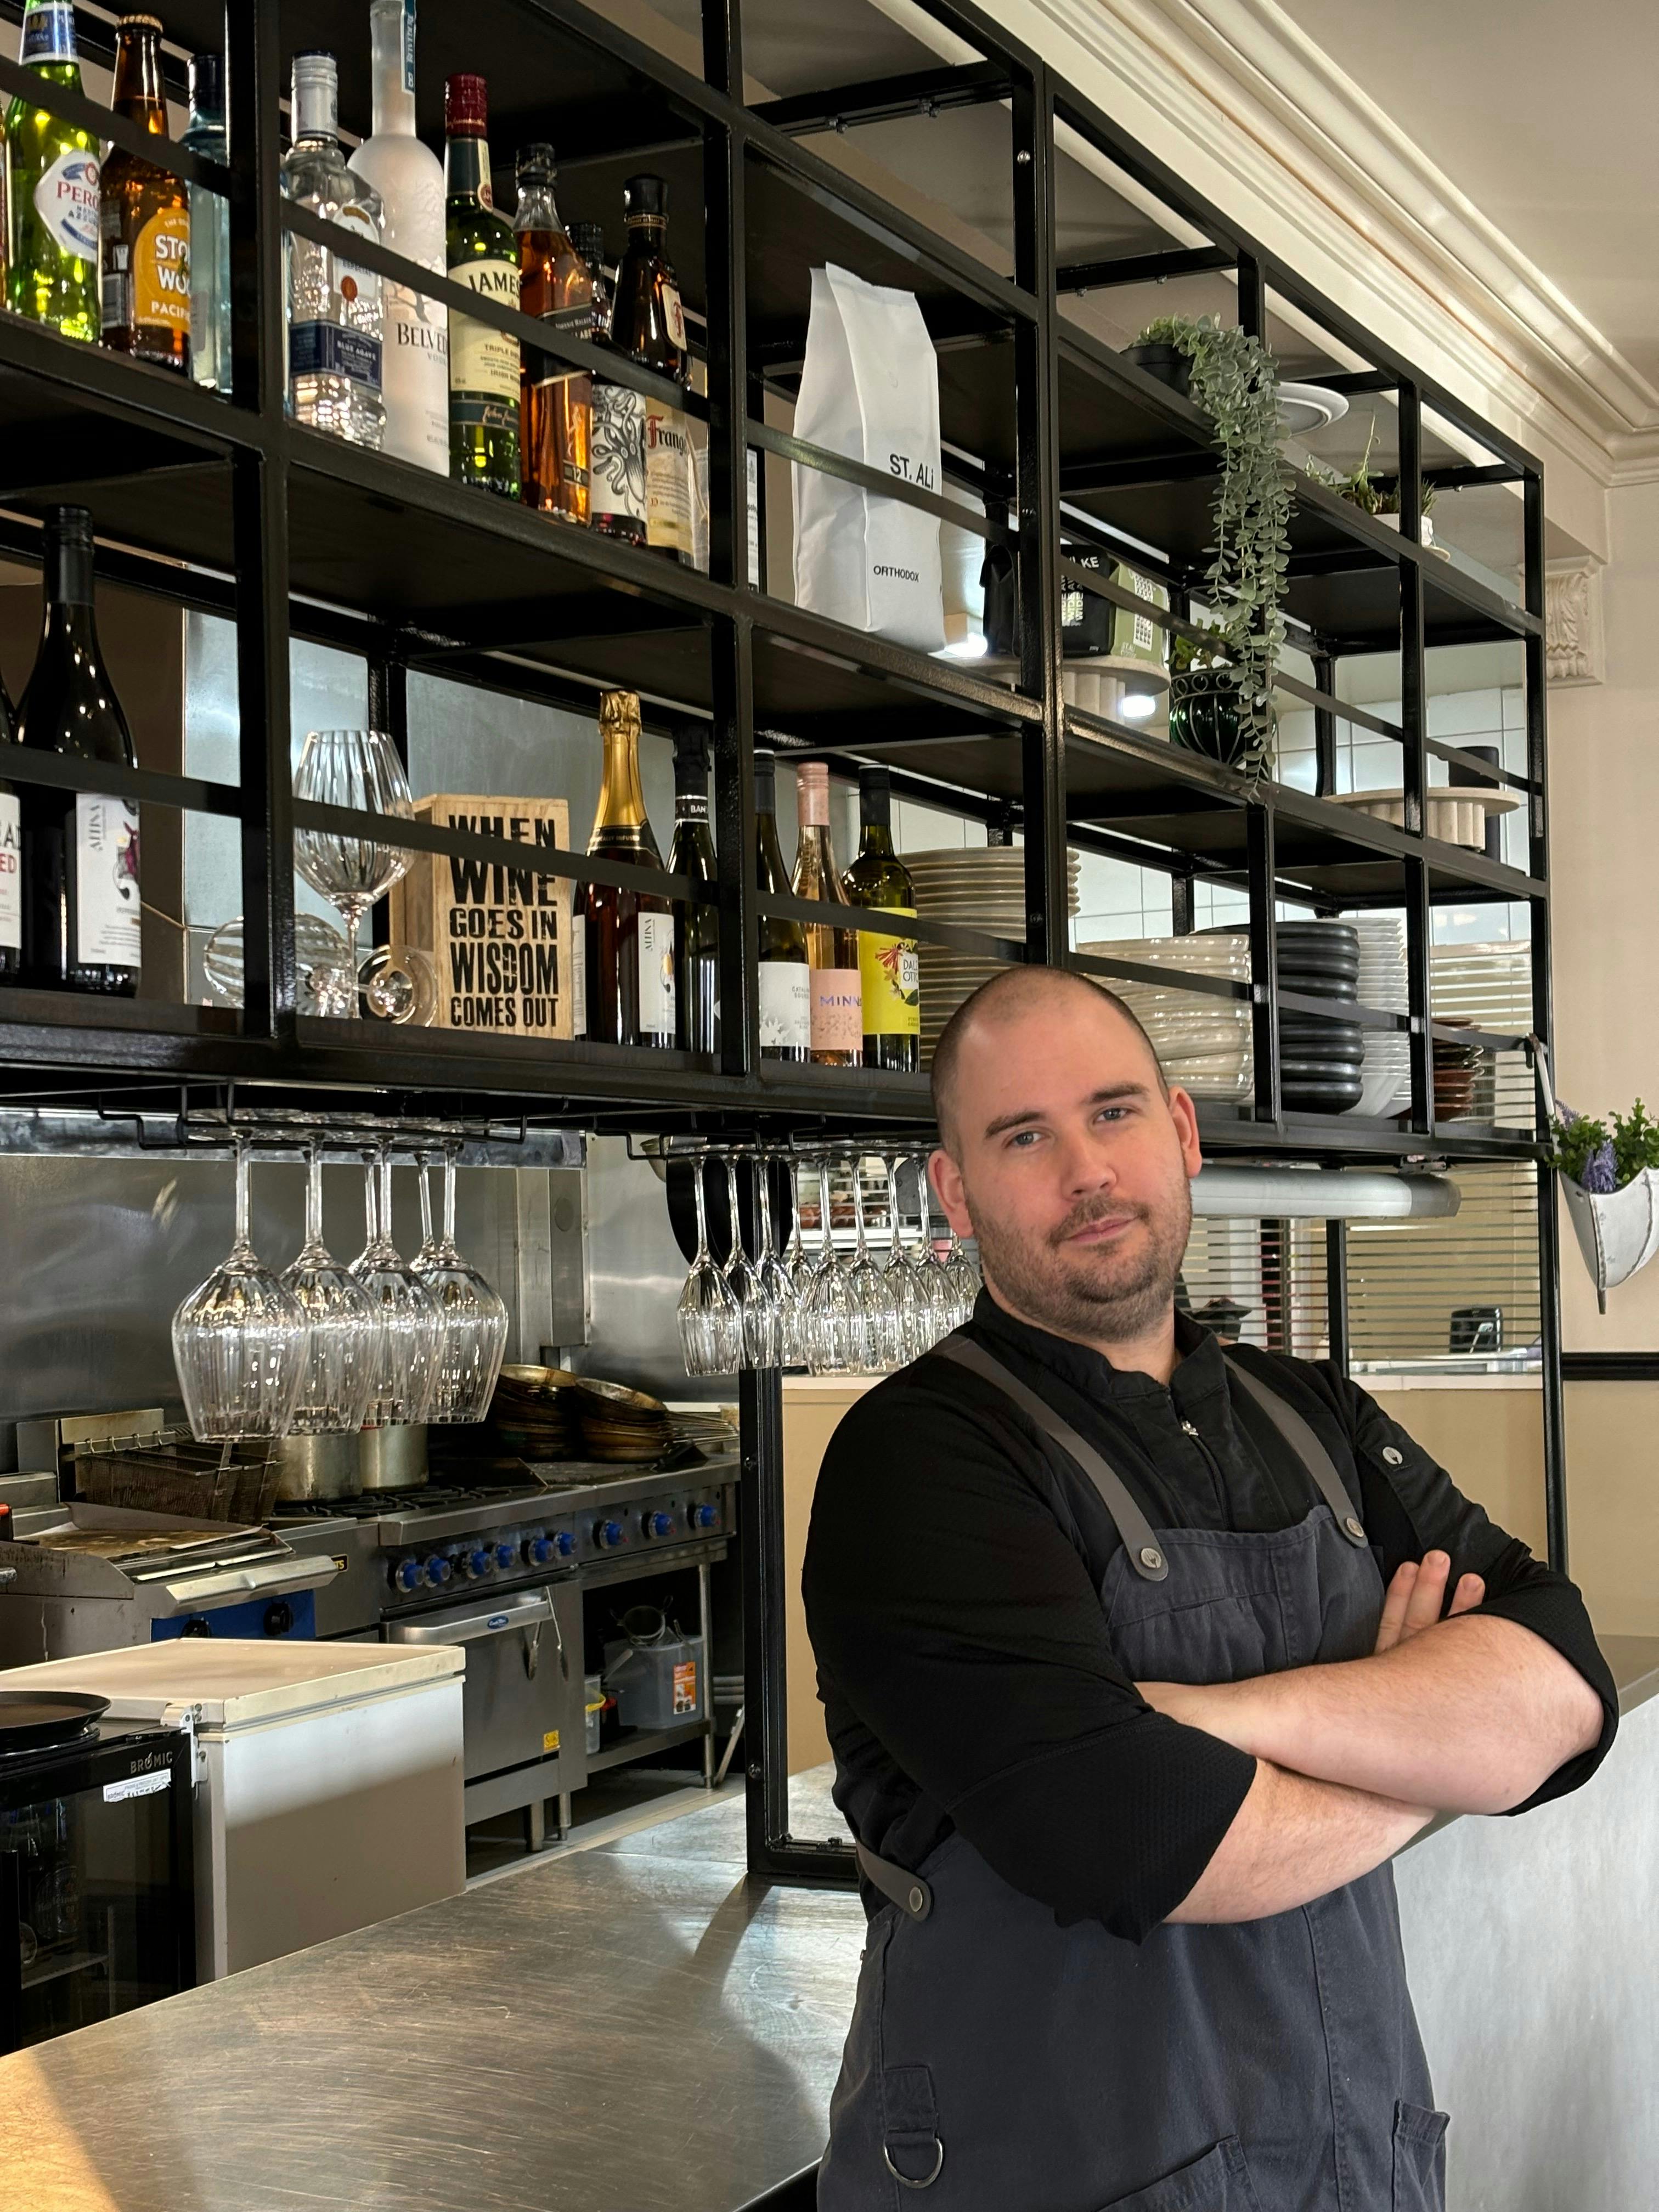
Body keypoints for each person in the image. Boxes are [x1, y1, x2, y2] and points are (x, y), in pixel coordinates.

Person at [803, 966, 1613, 2212]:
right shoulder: (917, 1464)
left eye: (1115, 1113)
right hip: (1042, 2174)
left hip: (1347, 2161)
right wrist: (1436, 1744)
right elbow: (1140, 1839)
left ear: (1180, 1134)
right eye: (1026, 1136)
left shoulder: (1313, 1415)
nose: (1087, 1171)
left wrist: (1230, 1721)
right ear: (955, 1195)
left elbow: (1565, 1691)